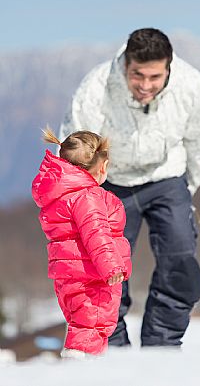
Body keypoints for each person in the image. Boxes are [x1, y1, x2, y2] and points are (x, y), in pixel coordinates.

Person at [59, 27, 200, 348]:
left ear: (169, 67)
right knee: (102, 271)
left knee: (180, 259)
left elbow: (198, 140)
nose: (145, 85)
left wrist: (188, 193)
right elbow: (73, 149)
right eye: (137, 75)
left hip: (167, 178)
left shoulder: (191, 86)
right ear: (125, 66)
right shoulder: (95, 89)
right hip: (111, 183)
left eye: (155, 77)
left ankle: (162, 347)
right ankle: (112, 351)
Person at [32, 128, 132, 359]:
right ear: (101, 167)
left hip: (68, 275)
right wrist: (111, 267)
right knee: (92, 327)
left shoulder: (60, 195)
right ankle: (80, 371)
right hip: (92, 276)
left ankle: (78, 361)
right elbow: (96, 233)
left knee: (81, 324)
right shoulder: (87, 197)